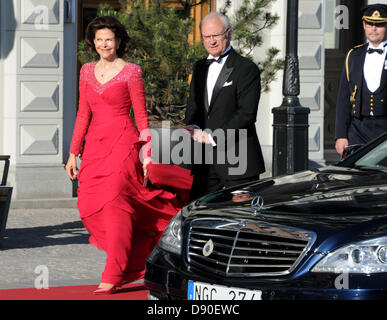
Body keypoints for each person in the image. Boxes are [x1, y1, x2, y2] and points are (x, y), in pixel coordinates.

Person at [65, 16, 191, 294]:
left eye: (108, 39)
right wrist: (73, 152)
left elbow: (142, 117)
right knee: (87, 204)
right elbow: (83, 113)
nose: (103, 44)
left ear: (119, 41)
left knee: (115, 204)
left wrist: (146, 155)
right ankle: (134, 258)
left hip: (123, 143)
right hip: (94, 146)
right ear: (93, 43)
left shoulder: (132, 71)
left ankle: (113, 273)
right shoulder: (86, 71)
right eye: (98, 40)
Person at [185, 12, 265, 200]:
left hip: (239, 162)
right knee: (201, 220)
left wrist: (213, 137)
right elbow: (194, 106)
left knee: (240, 223)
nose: (211, 41)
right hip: (203, 165)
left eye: (216, 35)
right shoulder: (199, 67)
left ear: (228, 34)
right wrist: (193, 127)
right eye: (207, 36)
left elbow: (246, 114)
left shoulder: (246, 68)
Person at [335, 4, 387, 155]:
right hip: (357, 130)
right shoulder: (354, 55)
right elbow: (343, 98)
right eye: (370, 24)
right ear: (364, 25)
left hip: (385, 129)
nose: (373, 29)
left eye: (379, 25)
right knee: (354, 175)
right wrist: (341, 135)